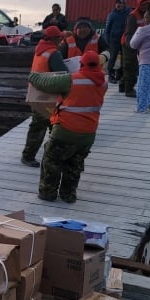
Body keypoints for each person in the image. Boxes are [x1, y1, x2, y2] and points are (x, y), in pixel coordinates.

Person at [27, 50, 107, 204]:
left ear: (81, 63)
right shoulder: (103, 82)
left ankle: (48, 193)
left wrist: (33, 75)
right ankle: (68, 195)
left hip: (65, 130)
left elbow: (45, 83)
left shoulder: (71, 80)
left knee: (52, 161)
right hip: (88, 133)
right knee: (74, 166)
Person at [20, 26, 68, 168]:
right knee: (46, 126)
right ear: (53, 39)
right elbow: (63, 73)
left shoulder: (40, 50)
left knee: (45, 125)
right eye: (59, 37)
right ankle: (29, 156)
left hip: (36, 93)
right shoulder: (53, 53)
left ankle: (46, 153)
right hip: (48, 95)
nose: (61, 39)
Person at [120, 0, 150, 97]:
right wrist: (131, 46)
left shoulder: (148, 14)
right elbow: (129, 33)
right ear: (138, 4)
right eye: (143, 4)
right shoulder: (133, 16)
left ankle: (122, 85)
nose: (145, 6)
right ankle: (128, 90)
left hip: (140, 43)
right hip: (129, 43)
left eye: (147, 4)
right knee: (130, 65)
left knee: (131, 66)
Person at [103, 0, 131, 83]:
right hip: (114, 40)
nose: (118, 5)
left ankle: (120, 74)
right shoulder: (112, 15)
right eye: (117, 3)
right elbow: (107, 29)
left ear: (124, 5)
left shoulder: (129, 13)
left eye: (120, 3)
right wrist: (107, 40)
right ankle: (111, 75)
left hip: (124, 40)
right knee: (113, 57)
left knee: (124, 58)